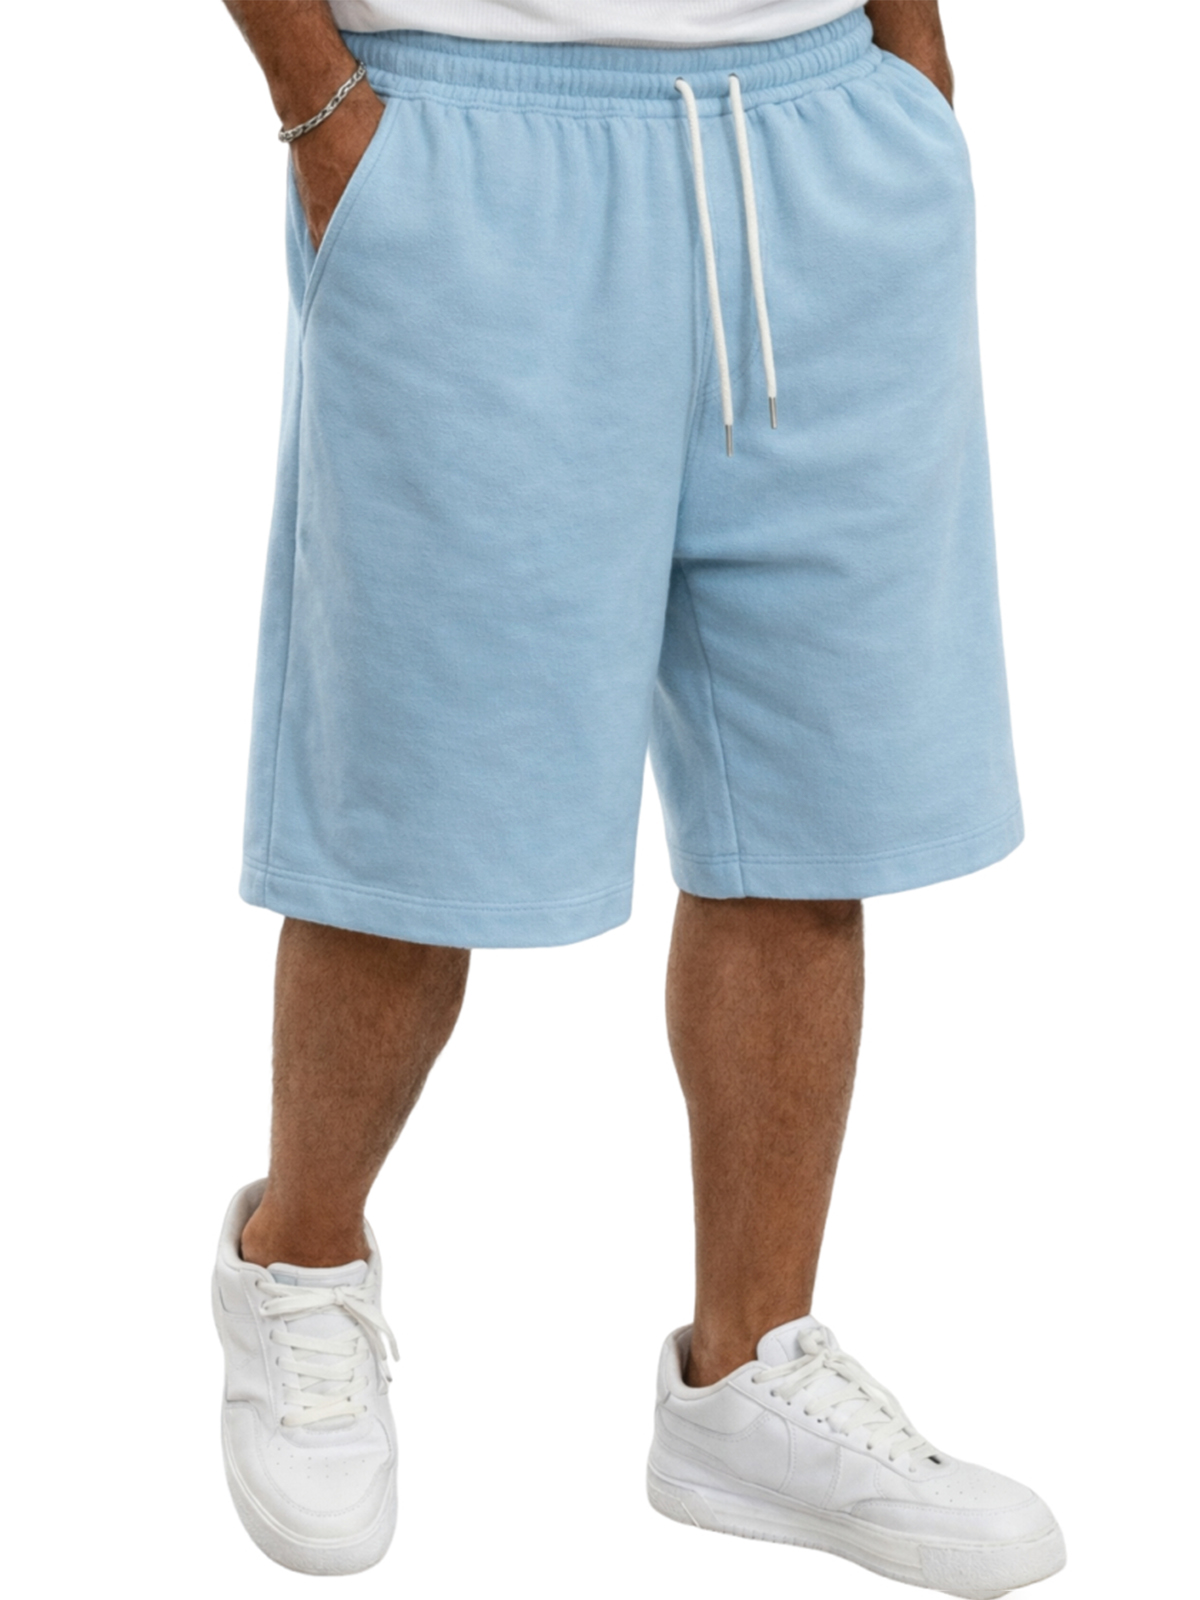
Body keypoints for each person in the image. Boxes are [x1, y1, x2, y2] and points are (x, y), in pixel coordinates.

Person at [211, 2, 1065, 1592]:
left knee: (811, 810)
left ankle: (748, 1375)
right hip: (468, 147)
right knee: (415, 802)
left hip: (823, 141)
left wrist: (912, 63)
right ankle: (299, 1268)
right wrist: (319, 106)